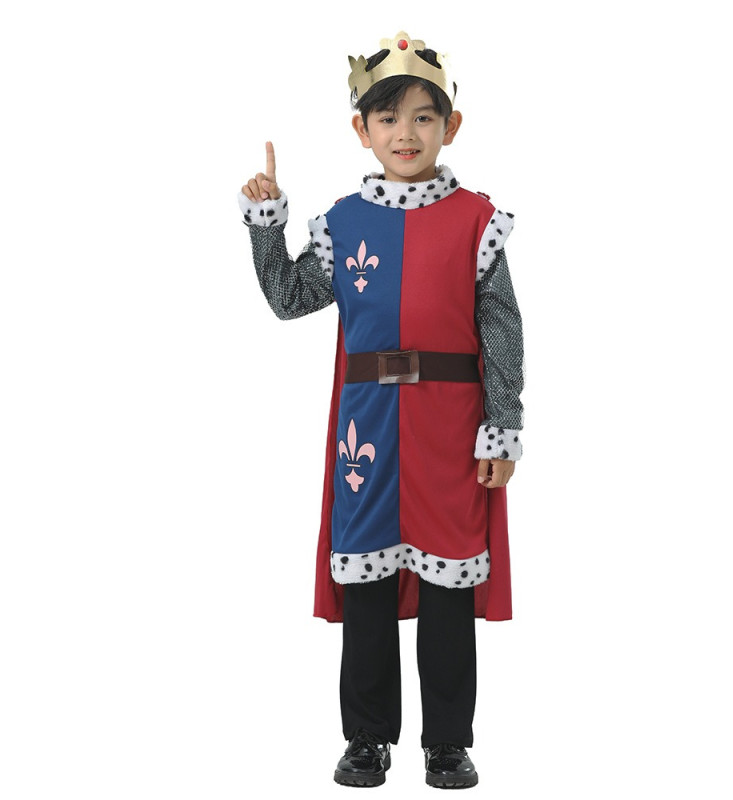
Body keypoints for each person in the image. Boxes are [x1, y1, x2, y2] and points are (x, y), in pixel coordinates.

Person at [237, 31, 525, 790]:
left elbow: (501, 328)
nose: (406, 133)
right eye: (388, 118)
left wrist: (503, 427)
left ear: (450, 127)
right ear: (361, 130)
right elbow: (290, 299)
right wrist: (266, 225)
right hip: (367, 429)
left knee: (447, 589)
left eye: (424, 117)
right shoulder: (344, 222)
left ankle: (447, 743)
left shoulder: (476, 221)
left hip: (450, 428)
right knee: (365, 583)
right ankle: (367, 738)